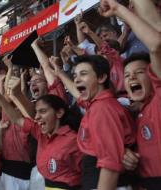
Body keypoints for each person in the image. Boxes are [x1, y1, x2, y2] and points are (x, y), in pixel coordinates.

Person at [99, 0, 161, 189]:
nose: (131, 77)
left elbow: (156, 45)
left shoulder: (158, 99)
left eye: (140, 72)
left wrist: (118, 9)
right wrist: (126, 154)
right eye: (126, 75)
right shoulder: (130, 115)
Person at [50, 54, 135, 190]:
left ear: (101, 77)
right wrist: (59, 73)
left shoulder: (103, 109)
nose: (77, 79)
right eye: (75, 75)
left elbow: (110, 162)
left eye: (83, 74)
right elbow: (77, 93)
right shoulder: (96, 104)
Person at [0, 77, 82, 190]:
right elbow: (17, 119)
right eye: (37, 112)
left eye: (43, 111)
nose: (36, 117)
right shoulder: (40, 134)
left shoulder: (73, 140)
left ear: (59, 113)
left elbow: (90, 175)